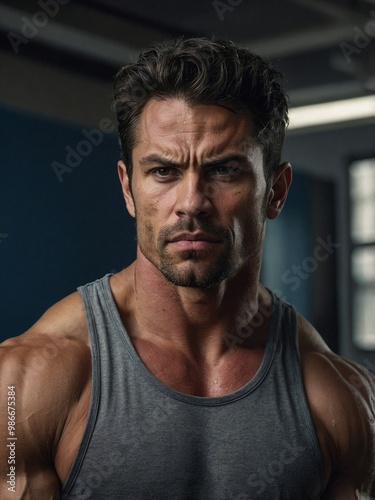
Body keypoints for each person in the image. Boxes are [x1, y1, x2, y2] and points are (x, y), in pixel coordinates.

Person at [0, 36, 374, 500]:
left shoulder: (336, 395)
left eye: (223, 170)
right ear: (127, 188)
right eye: (163, 172)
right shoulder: (28, 383)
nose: (191, 203)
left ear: (276, 191)